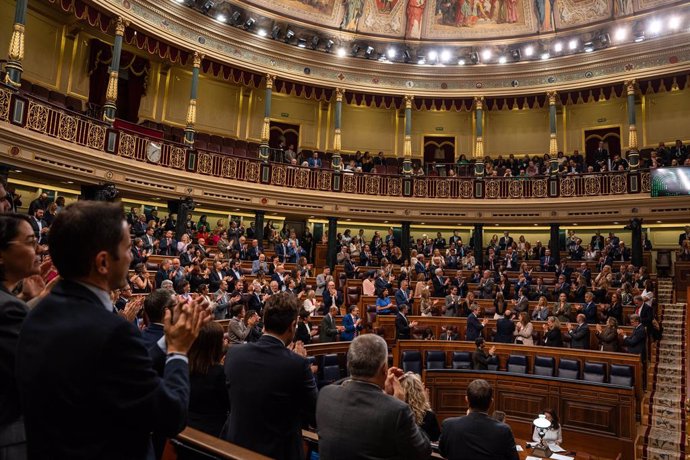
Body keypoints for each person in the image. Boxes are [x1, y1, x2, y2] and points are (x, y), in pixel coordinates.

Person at [15, 201, 209, 460]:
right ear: (103, 262)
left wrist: (165, 342)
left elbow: (108, 368)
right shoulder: (112, 332)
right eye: (128, 248)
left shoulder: (36, 314)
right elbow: (171, 416)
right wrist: (178, 351)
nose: (132, 257)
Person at [222, 292, 318, 459]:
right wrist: (303, 367)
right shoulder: (298, 364)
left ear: (264, 321)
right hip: (278, 452)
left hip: (235, 448)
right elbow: (315, 414)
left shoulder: (234, 354)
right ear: (292, 325)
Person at [315, 334, 431, 460]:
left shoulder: (325, 395)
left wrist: (385, 395)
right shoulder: (397, 410)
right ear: (384, 369)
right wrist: (395, 401)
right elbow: (423, 452)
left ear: (349, 364)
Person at [0, 214, 43, 459]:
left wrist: (32, 299)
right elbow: (35, 371)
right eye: (28, 242)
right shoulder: (8, 308)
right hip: (10, 434)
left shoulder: (11, 303)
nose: (36, 249)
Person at [439, 379, 519, 460]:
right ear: (491, 402)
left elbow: (443, 453)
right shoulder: (504, 430)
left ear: (466, 400)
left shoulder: (448, 425)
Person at [187, 321, 231, 437]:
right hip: (211, 434)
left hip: (185, 426)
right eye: (222, 339)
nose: (224, 342)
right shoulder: (219, 373)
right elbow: (228, 404)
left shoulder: (185, 365)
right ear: (214, 344)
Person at [399, 372, 441, 442]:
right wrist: (426, 404)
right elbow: (435, 441)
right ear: (420, 392)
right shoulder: (429, 416)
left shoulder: (397, 413)